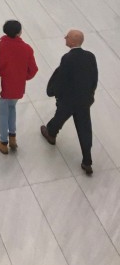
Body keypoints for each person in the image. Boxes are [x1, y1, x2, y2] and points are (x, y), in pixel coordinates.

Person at [40, 29, 98, 174]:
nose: (65, 37)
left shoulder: (67, 58)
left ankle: (51, 134)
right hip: (84, 99)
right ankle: (87, 161)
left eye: (67, 36)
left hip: (69, 99)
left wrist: (56, 94)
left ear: (72, 41)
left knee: (60, 117)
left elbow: (62, 79)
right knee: (84, 129)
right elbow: (94, 78)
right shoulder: (90, 56)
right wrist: (90, 95)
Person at [0, 19, 38, 154]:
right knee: (12, 108)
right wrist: (22, 77)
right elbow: (33, 70)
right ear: (20, 32)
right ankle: (13, 137)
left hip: (0, 85)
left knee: (3, 112)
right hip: (17, 86)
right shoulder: (27, 48)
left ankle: (3, 142)